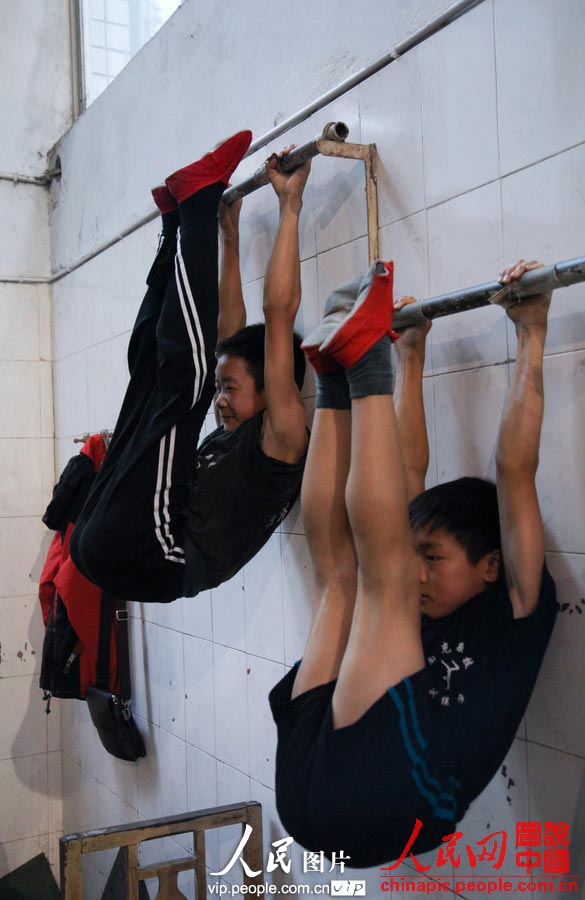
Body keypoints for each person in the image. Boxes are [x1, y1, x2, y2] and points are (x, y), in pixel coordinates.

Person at [268, 258, 557, 867]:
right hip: (314, 778)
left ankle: (351, 366)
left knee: (367, 579)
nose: (420, 571)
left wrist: (532, 333)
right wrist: (412, 357)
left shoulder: (518, 607)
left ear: (490, 565)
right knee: (343, 571)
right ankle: (337, 370)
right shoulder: (407, 618)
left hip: (388, 799)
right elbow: (407, 474)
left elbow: (514, 472)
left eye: (436, 557)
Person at [70, 132, 310, 604]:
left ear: (271, 391)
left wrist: (291, 208)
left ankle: (193, 210)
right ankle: (178, 225)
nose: (221, 400)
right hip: (104, 540)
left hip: (157, 556)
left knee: (186, 384)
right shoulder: (231, 433)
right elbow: (227, 331)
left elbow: (278, 314)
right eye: (223, 389)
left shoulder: (282, 439)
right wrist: (229, 237)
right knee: (149, 376)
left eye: (232, 389)